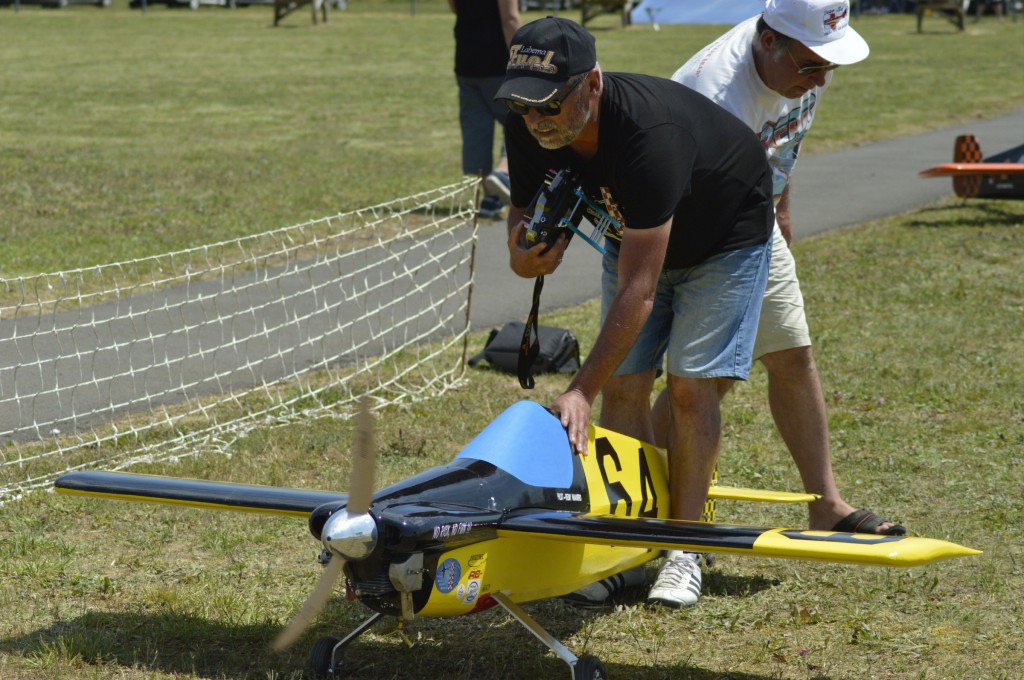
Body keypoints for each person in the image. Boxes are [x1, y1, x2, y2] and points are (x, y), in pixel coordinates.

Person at [569, 0, 907, 610]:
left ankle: (825, 504)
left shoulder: (802, 62)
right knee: (666, 384)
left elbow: (783, 143)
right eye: (811, 65)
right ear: (769, 41)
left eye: (830, 65)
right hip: (681, 231)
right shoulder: (712, 90)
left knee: (790, 353)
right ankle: (656, 535)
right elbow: (664, 202)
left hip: (751, 220)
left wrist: (780, 207)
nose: (821, 78)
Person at [497, 17, 775, 609]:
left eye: (549, 105)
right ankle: (632, 544)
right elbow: (519, 236)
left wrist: (577, 390)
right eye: (524, 107)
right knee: (625, 384)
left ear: (591, 84)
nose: (536, 120)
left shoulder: (650, 134)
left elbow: (640, 293)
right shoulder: (526, 122)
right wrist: (527, 258)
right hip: (637, 229)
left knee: (689, 389)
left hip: (726, 233)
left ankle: (683, 548)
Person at [449, 0, 521, 219]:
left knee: (476, 127)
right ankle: (502, 173)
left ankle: (490, 197)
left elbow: (454, 6)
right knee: (519, 119)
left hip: (466, 59)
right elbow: (509, 18)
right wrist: (520, 58)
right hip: (498, 60)